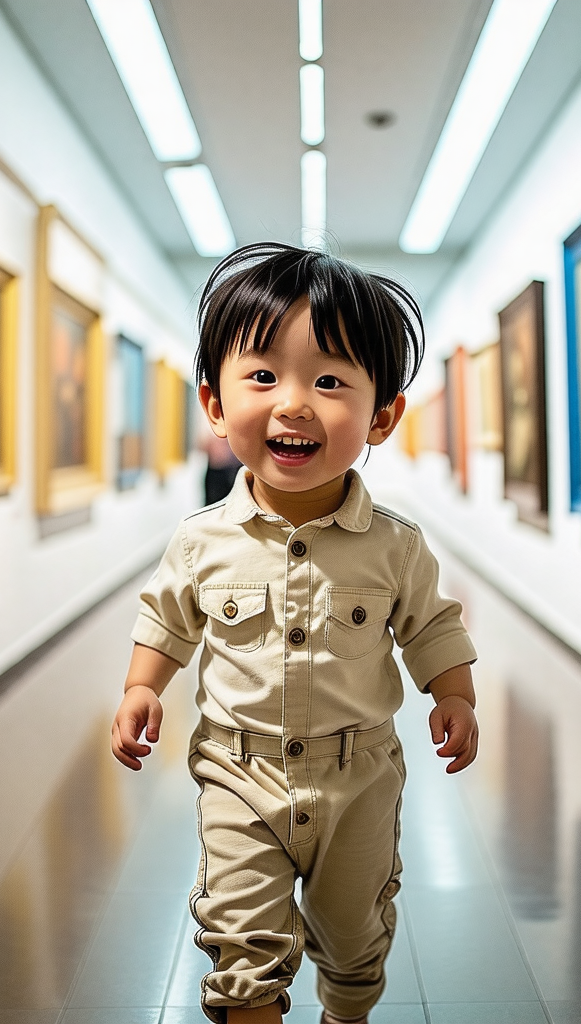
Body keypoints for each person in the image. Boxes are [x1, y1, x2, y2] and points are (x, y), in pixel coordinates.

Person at [111, 243, 479, 1024]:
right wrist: (143, 686)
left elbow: (431, 624)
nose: (294, 403)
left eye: (330, 381)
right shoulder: (201, 540)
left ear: (382, 415)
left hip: (359, 780)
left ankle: (346, 1007)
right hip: (238, 775)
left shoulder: (395, 545)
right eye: (263, 375)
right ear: (215, 404)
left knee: (353, 935)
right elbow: (167, 617)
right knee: (240, 948)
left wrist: (455, 695)